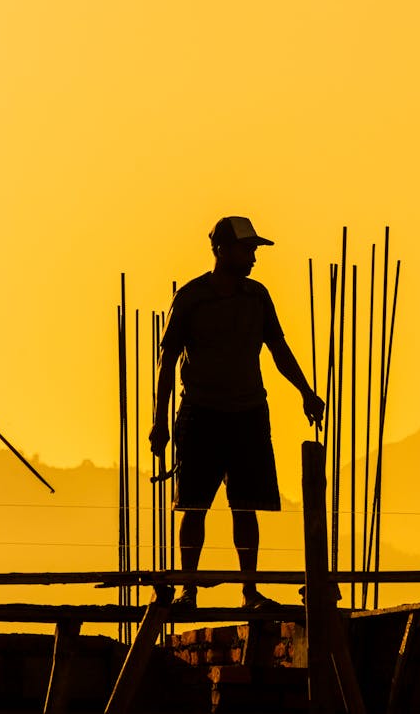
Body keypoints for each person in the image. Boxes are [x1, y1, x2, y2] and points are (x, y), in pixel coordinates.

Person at [149, 216, 324, 610]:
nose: (253, 257)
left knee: (246, 505)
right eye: (247, 250)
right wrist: (160, 421)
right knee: (193, 505)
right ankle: (188, 589)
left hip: (247, 413)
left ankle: (249, 590)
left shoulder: (257, 297)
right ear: (222, 250)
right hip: (200, 414)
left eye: (254, 250)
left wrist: (306, 392)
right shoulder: (192, 298)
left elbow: (278, 349)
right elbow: (168, 358)